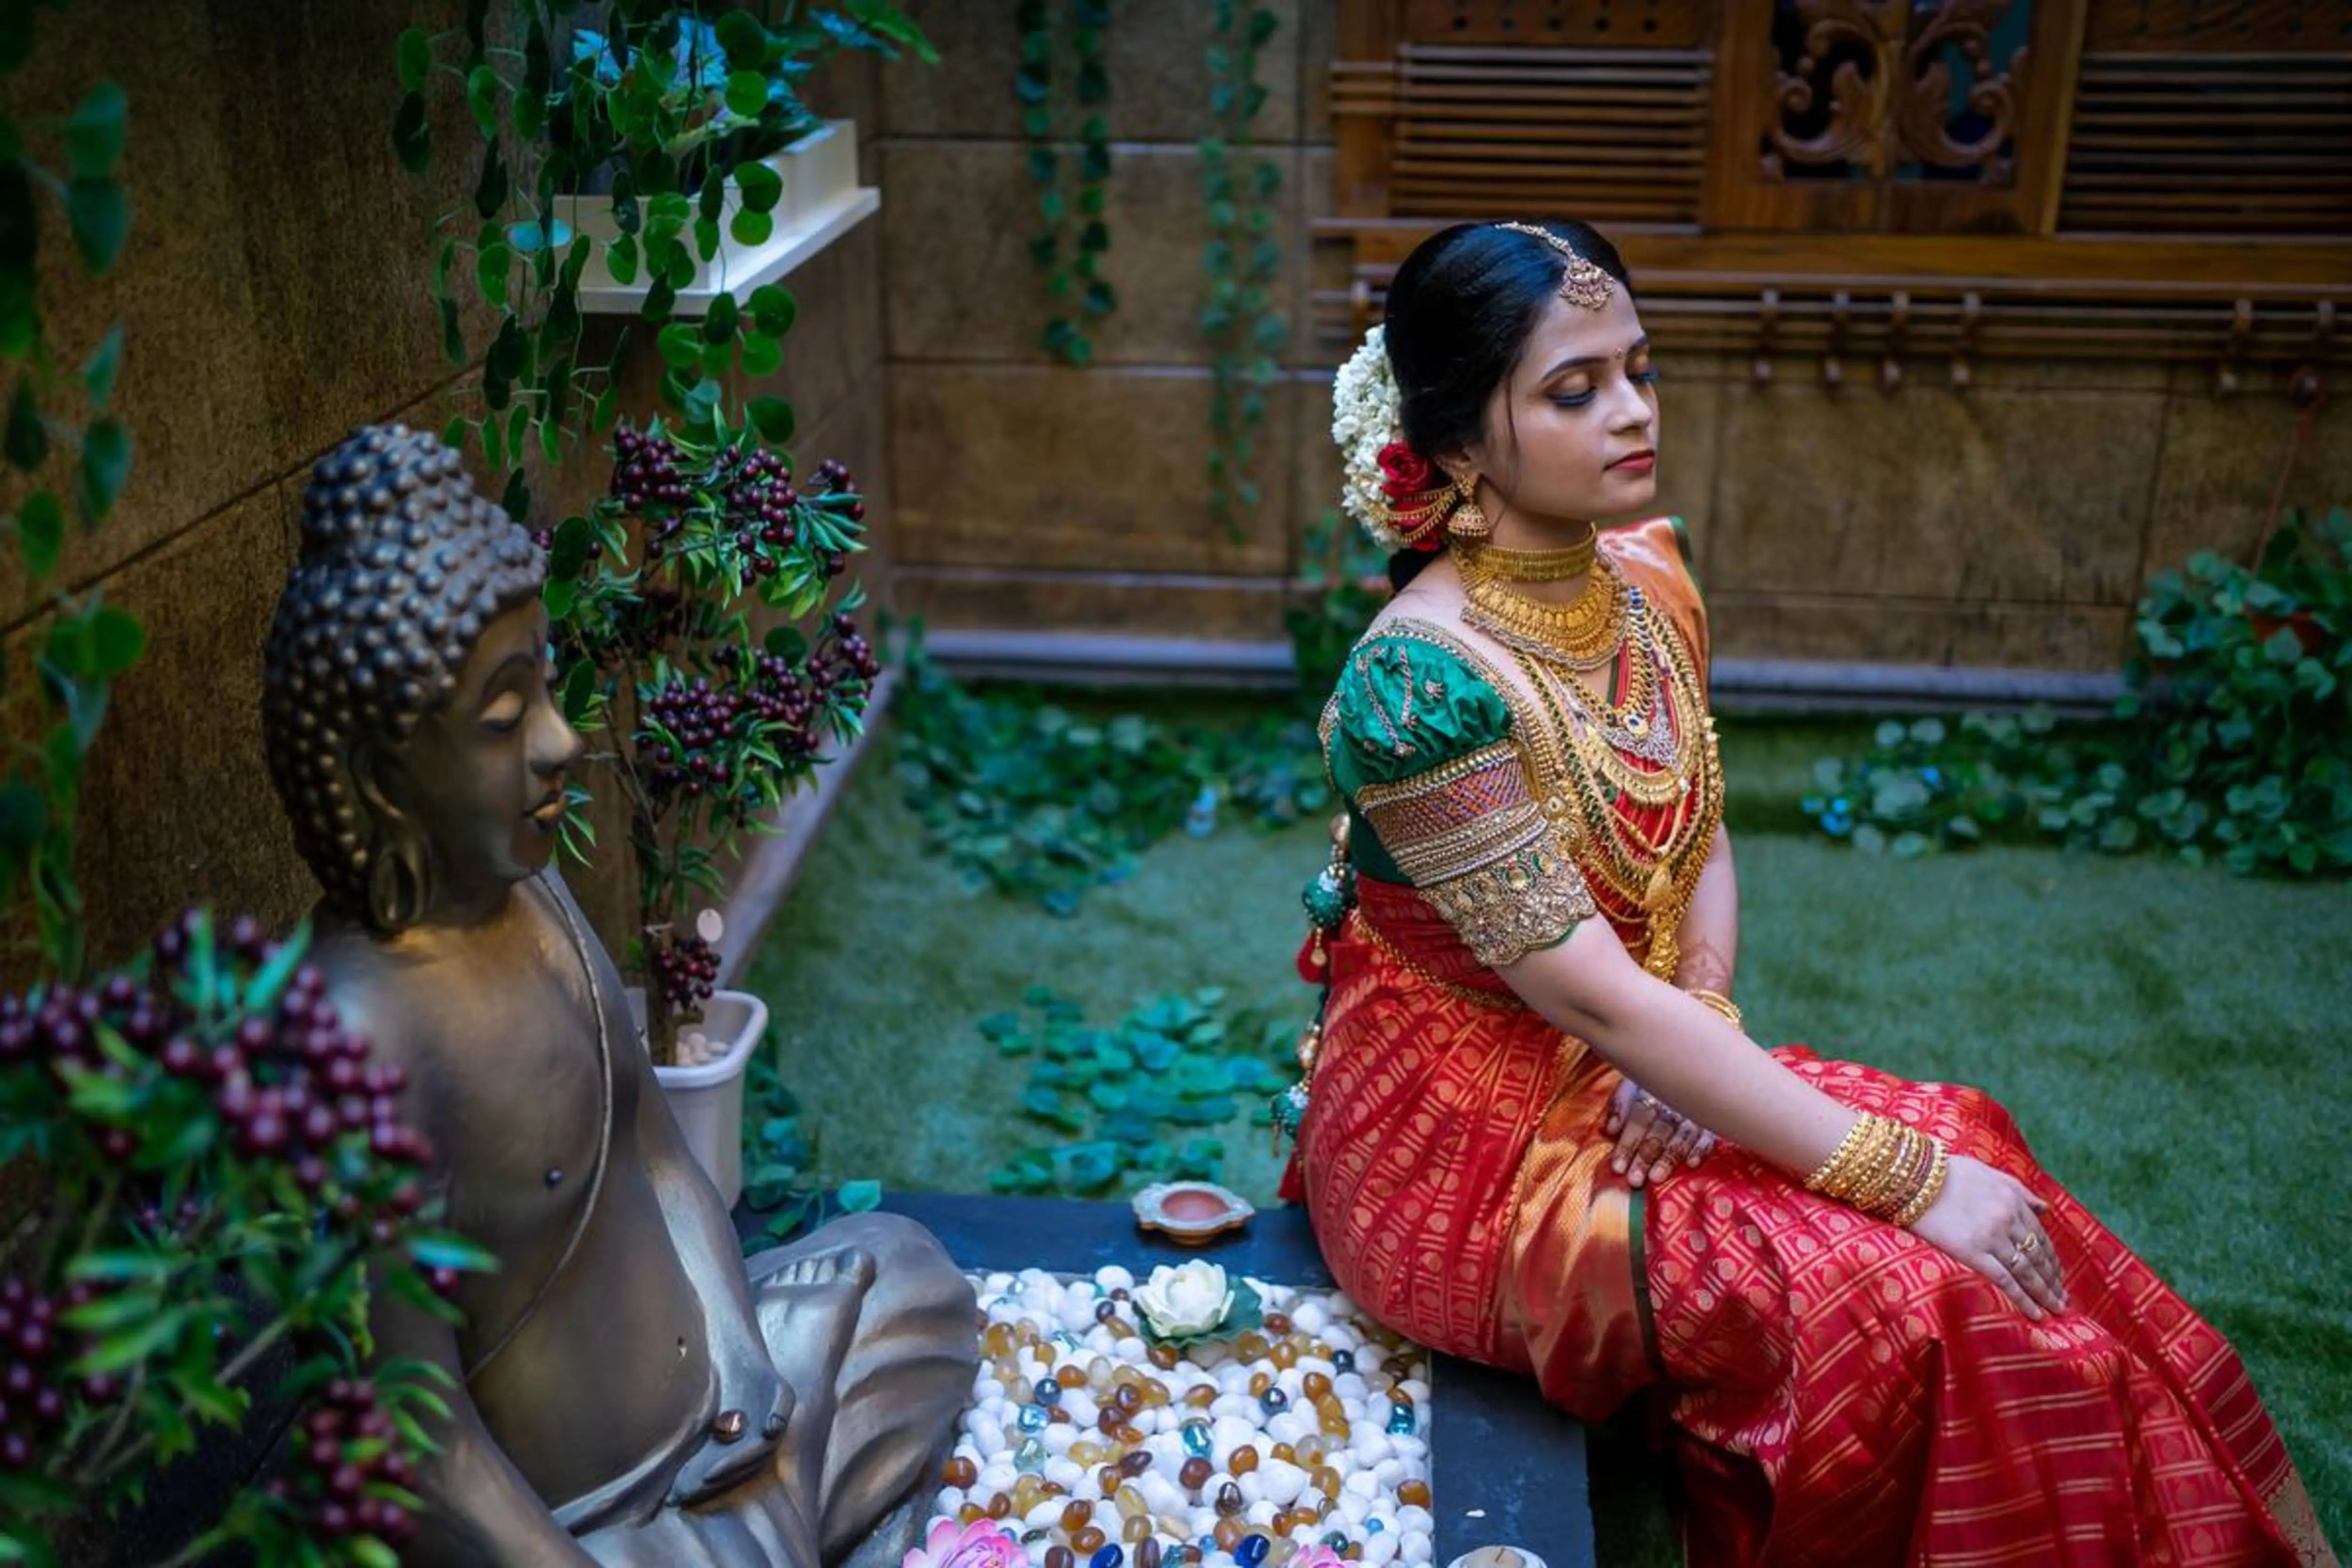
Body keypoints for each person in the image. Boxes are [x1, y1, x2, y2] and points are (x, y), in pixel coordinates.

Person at [1278, 221, 2337, 1566]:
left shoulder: (1645, 577)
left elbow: (1701, 830)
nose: (1634, 412)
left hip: (1647, 1057)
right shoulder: (1420, 689)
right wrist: (1896, 1179)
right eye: (1574, 388)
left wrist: (1703, 1021)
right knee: (1911, 1288)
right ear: (1458, 446)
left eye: (1639, 370)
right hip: (1471, 1162)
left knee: (1982, 1143)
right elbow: (1585, 991)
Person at [260, 425, 977, 1565]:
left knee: (905, 1274)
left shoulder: (532, 895)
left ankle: (772, 1514)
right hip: (580, 1526)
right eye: (505, 719)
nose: (562, 739)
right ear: (383, 774)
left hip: (722, 1426)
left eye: (544, 685)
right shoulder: (351, 1037)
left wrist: (742, 1350)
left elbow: (649, 1146)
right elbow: (413, 1442)